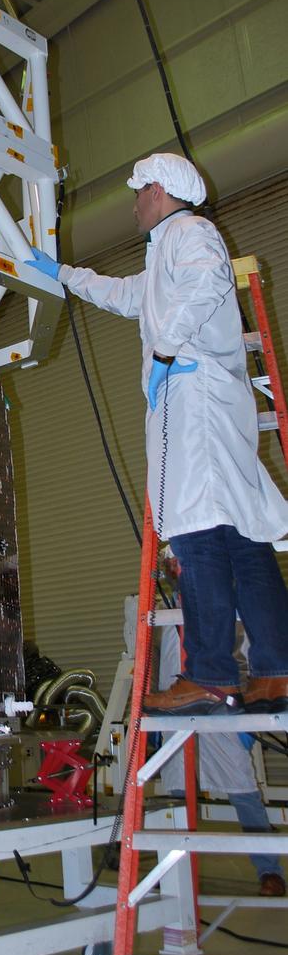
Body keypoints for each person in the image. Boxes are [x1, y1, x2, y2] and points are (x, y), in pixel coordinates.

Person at [28, 152, 288, 715]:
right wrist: (64, 275)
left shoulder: (190, 231)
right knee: (242, 538)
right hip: (204, 403)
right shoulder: (166, 249)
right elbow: (128, 297)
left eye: (137, 193)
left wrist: (168, 345)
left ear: (159, 190)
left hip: (195, 404)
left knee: (196, 537)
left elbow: (209, 281)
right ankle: (275, 669)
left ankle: (212, 674)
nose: (134, 205)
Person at [156, 546, 286, 898]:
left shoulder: (226, 605)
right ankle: (175, 870)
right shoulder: (167, 612)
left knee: (242, 787)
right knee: (176, 792)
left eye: (178, 561)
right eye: (171, 563)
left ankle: (269, 870)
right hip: (177, 710)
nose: (175, 567)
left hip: (220, 708)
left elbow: (251, 658)